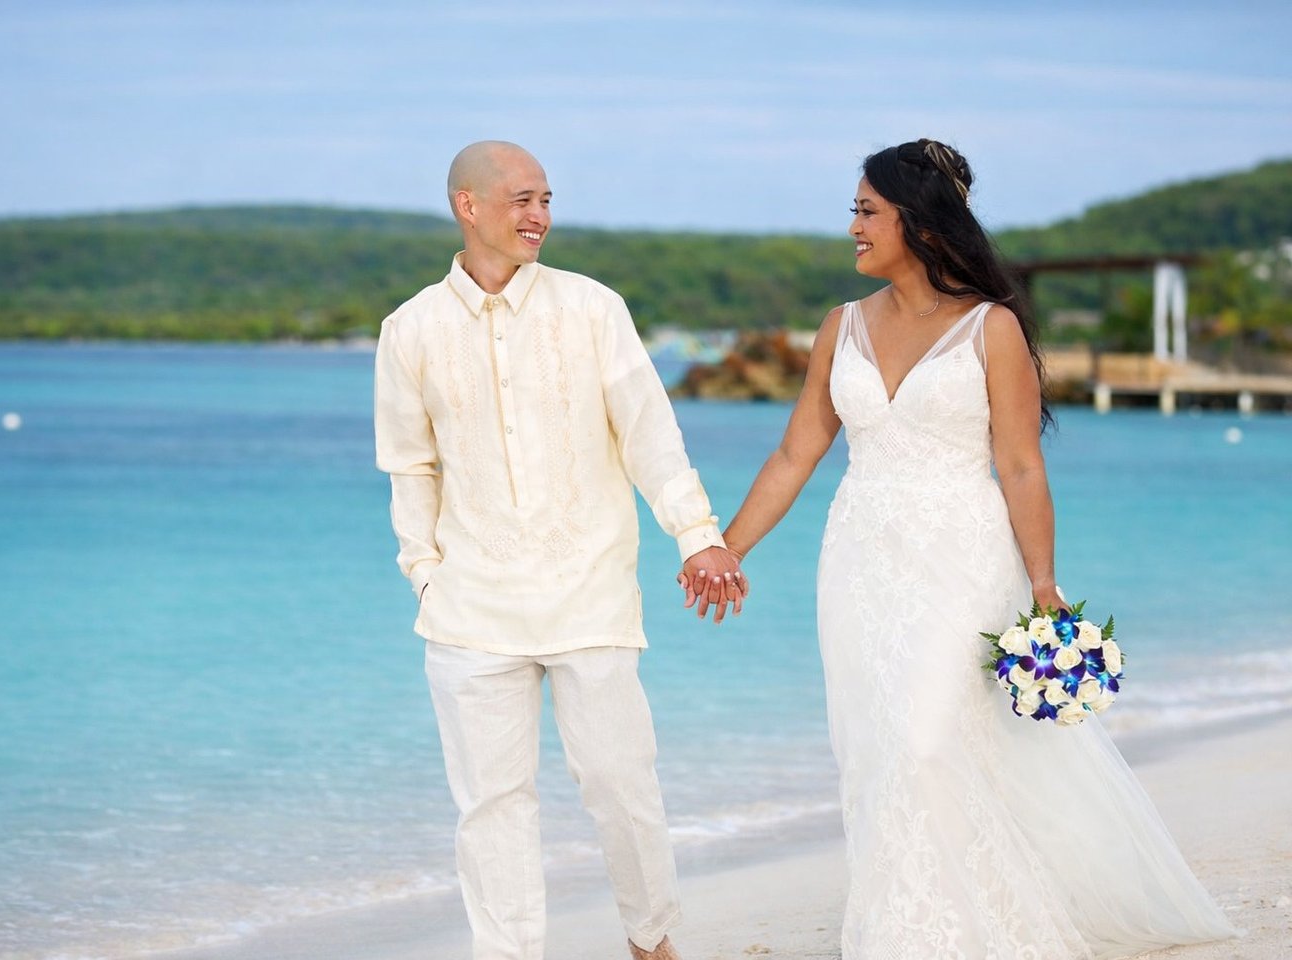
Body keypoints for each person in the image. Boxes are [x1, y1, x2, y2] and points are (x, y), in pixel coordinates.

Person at [699, 139, 1234, 957]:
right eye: (855, 210)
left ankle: (973, 924)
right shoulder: (839, 327)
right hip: (859, 558)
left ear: (917, 220)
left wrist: (1045, 584)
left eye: (866, 210)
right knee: (878, 747)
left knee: (926, 740)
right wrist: (722, 548)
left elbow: (1020, 465)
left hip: (960, 556)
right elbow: (795, 454)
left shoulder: (994, 329)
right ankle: (904, 927)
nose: (852, 227)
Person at [374, 140, 746, 960]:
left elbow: (651, 435)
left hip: (590, 595)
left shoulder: (592, 308)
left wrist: (699, 536)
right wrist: (425, 576)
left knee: (621, 786)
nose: (539, 214)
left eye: (546, 198)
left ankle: (652, 941)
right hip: (470, 612)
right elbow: (409, 466)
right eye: (520, 199)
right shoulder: (410, 329)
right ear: (467, 207)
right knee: (491, 807)